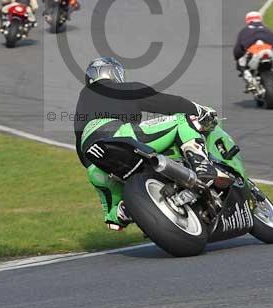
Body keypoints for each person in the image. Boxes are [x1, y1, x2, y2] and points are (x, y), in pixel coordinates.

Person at [74, 57, 228, 230]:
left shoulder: (83, 101)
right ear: (113, 73)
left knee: (114, 214)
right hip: (121, 135)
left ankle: (122, 211)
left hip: (94, 164)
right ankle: (202, 166)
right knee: (181, 121)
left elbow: (80, 147)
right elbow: (168, 103)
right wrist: (200, 110)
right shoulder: (124, 89)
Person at [233, 11, 273, 93]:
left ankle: (250, 82)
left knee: (241, 63)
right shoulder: (267, 29)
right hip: (268, 51)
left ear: (247, 20)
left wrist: (237, 57)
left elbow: (238, 49)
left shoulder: (244, 31)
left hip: (254, 52)